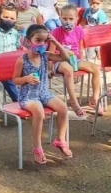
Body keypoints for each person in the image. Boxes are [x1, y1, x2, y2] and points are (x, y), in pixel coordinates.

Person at [13, 24, 72, 164]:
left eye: (45, 41)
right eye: (38, 40)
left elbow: (65, 58)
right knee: (39, 112)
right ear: (28, 42)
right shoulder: (22, 60)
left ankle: (60, 139)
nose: (42, 44)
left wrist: (55, 41)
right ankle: (37, 147)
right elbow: (15, 80)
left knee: (63, 108)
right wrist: (26, 79)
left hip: (43, 93)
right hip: (28, 96)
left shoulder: (46, 56)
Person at [51, 4, 101, 118]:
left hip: (75, 59)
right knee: (68, 70)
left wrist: (80, 63)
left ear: (76, 19)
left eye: (70, 19)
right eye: (64, 18)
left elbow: (80, 48)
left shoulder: (78, 30)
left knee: (96, 68)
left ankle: (95, 99)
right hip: (60, 60)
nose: (67, 21)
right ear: (60, 18)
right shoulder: (56, 32)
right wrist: (50, 68)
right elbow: (51, 52)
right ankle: (74, 103)